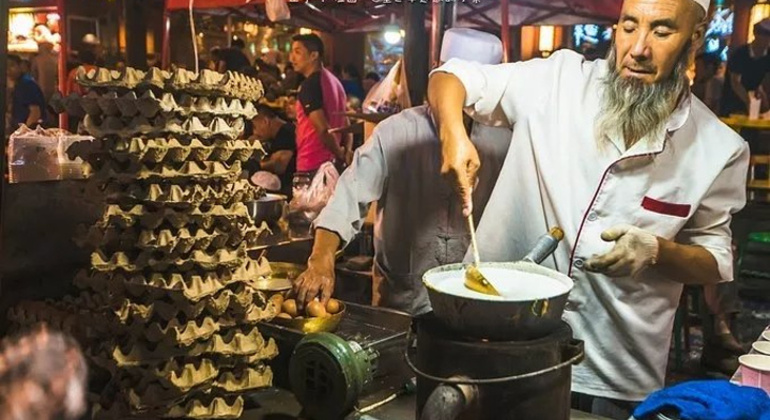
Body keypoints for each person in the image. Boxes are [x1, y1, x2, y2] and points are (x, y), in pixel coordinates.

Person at [427, 0, 749, 417]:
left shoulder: (719, 148)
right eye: (629, 27)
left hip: (616, 370)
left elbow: (715, 260)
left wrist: (657, 251)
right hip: (501, 344)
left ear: (695, 38)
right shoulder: (557, 81)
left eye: (662, 31)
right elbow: (453, 77)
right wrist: (453, 132)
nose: (638, 48)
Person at [292, 28, 511, 315]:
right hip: (403, 303)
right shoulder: (396, 132)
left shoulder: (505, 141)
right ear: (439, 75)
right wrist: (321, 259)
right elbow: (349, 194)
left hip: (478, 305)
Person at [289, 33, 350, 175]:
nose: (292, 58)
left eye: (297, 52)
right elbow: (346, 121)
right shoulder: (334, 81)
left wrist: (340, 153)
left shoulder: (309, 85)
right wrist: (345, 151)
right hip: (332, 164)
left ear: (313, 55)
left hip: (313, 163)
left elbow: (322, 129)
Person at [720, 18, 770, 116]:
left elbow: (766, 81)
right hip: (733, 104)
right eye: (764, 35)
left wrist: (763, 99)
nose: (766, 39)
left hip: (756, 106)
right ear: (756, 34)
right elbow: (735, 82)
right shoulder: (740, 54)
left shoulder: (768, 56)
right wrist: (748, 101)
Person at [248, 105, 297, 199]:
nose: (255, 132)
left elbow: (279, 165)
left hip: (288, 191)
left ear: (265, 121)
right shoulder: (278, 134)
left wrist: (256, 164)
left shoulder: (286, 132)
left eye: (255, 127)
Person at [8, 55, 47, 130]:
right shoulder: (17, 84)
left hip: (28, 132)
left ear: (20, 66)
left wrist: (24, 132)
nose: (8, 70)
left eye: (11, 65)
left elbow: (35, 113)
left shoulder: (26, 83)